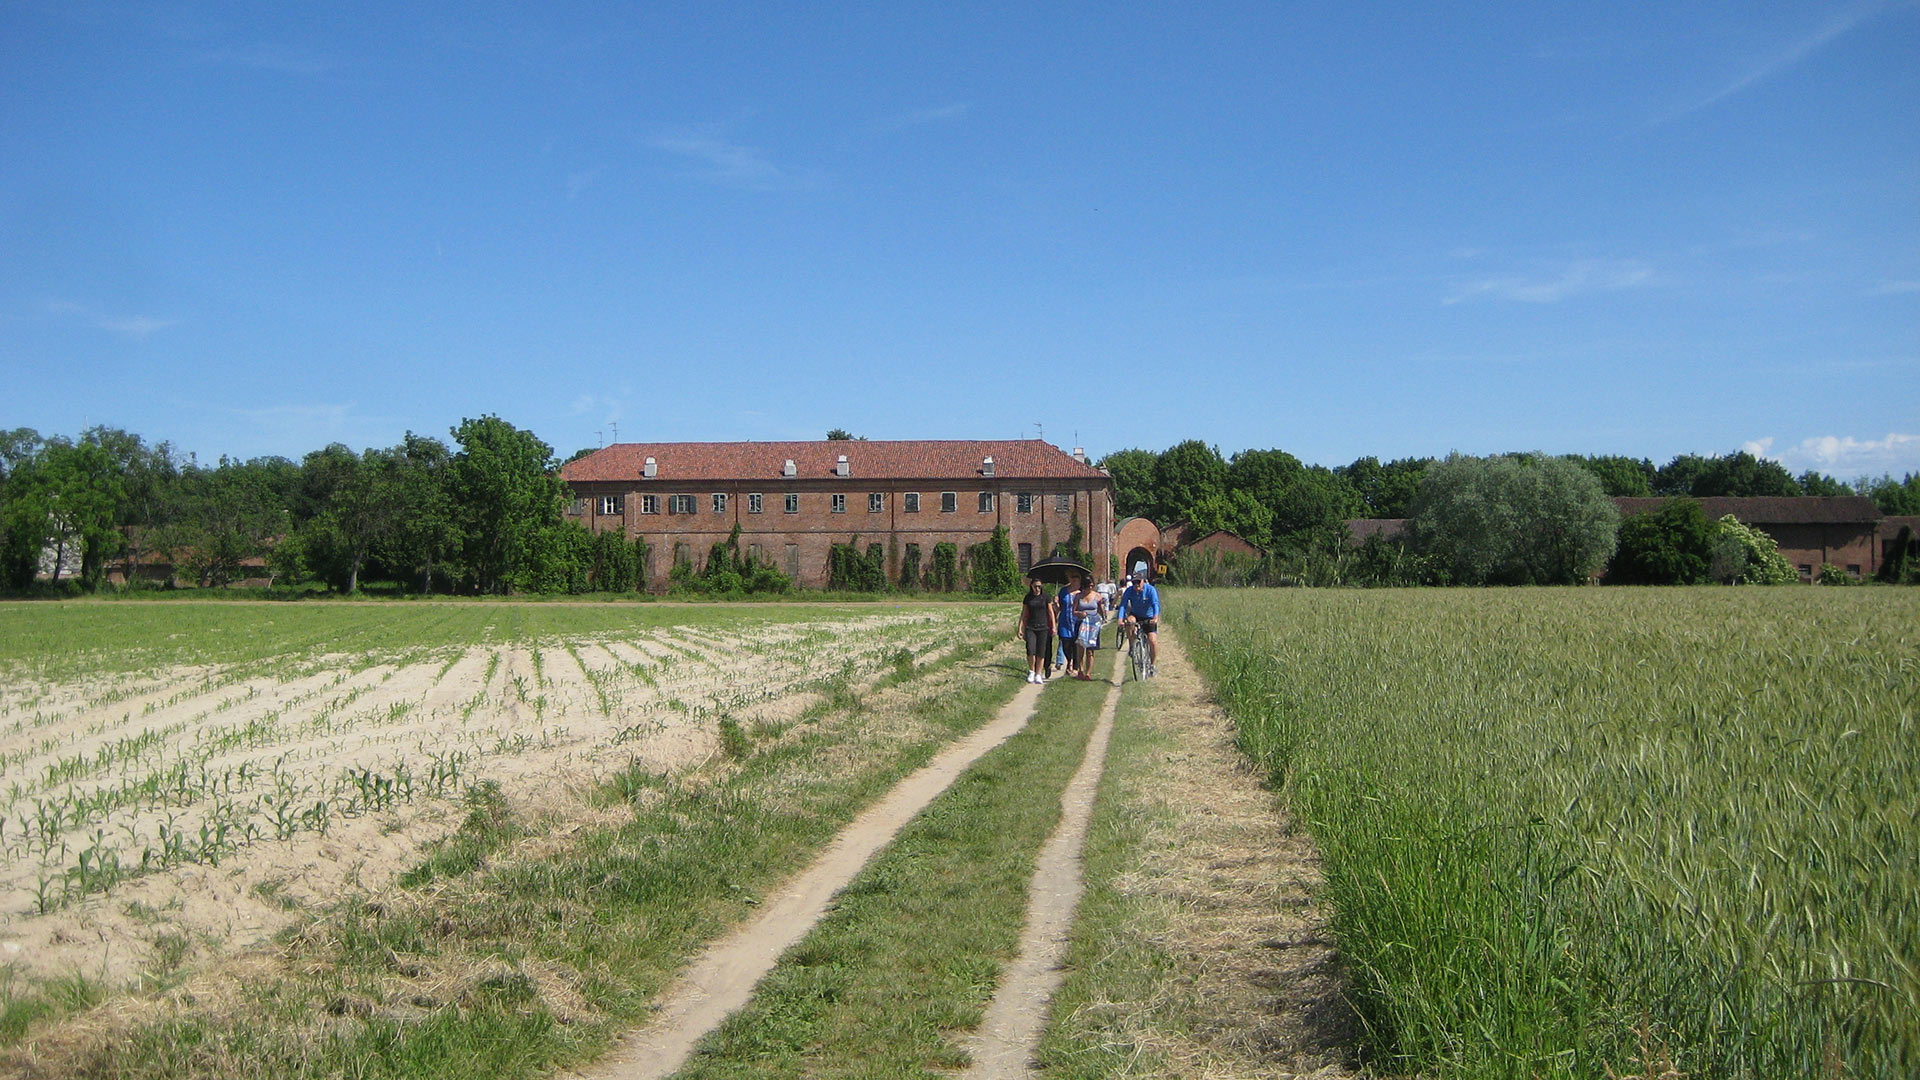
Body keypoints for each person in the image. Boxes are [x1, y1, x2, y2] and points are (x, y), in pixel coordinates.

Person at [1117, 570, 1161, 675]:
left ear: (1143, 581)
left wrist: (1155, 617)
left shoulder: (1150, 590)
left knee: (1152, 641)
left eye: (1138, 582)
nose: (1136, 585)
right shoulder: (1129, 591)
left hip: (1149, 616)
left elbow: (1155, 604)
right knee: (1130, 621)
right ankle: (1132, 646)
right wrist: (1120, 618)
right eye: (1134, 582)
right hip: (1136, 614)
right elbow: (1123, 605)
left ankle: (1152, 665)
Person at [1017, 576, 1057, 684]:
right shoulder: (1028, 598)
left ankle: (1039, 673)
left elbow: (1050, 613)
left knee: (1041, 651)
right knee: (1030, 649)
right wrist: (1020, 628)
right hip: (1031, 627)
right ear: (1031, 586)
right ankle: (1032, 671)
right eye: (1035, 586)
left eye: (1039, 587)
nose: (1037, 589)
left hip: (1043, 627)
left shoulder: (1046, 597)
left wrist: (1053, 626)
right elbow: (1024, 613)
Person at [1072, 574, 1108, 679]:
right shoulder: (1078, 596)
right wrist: (1079, 613)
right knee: (1080, 648)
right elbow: (1073, 611)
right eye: (1088, 586)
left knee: (1090, 649)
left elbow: (1100, 609)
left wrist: (1103, 618)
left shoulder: (1097, 596)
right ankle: (1080, 670)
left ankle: (1088, 673)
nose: (1090, 588)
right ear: (1084, 586)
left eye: (1092, 586)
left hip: (1093, 625)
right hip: (1081, 623)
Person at [1055, 575, 1082, 678]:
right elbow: (1059, 609)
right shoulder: (1063, 591)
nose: (1074, 580)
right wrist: (1056, 604)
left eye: (1076, 578)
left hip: (1077, 623)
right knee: (1065, 644)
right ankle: (1069, 661)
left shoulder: (1081, 592)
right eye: (1072, 577)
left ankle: (1074, 667)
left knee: (1076, 645)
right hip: (1064, 622)